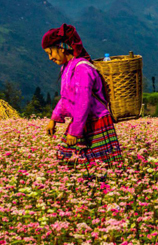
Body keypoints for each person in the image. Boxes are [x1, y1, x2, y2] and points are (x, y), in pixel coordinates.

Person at [41, 24, 123, 172]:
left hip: (95, 122)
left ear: (62, 47)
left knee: (100, 168)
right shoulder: (67, 67)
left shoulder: (82, 68)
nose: (50, 58)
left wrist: (75, 131)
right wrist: (53, 120)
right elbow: (66, 97)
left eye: (50, 52)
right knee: (74, 163)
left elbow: (82, 102)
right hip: (82, 121)